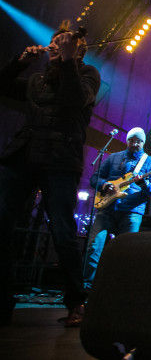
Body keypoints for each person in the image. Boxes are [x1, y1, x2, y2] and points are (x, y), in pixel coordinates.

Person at [0, 21, 100, 326]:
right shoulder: (37, 80)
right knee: (2, 221)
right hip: (24, 154)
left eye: (63, 43)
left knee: (62, 230)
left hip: (60, 160)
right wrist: (19, 63)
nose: (54, 46)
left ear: (77, 51)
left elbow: (75, 99)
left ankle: (76, 302)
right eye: (54, 42)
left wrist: (68, 60)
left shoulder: (88, 74)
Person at [84, 127, 151, 291]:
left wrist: (144, 183)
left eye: (138, 141)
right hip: (107, 209)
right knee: (94, 247)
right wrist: (105, 185)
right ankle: (87, 289)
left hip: (132, 211)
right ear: (127, 141)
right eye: (132, 140)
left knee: (127, 251)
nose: (135, 144)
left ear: (143, 143)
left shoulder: (150, 162)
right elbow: (95, 178)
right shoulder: (113, 157)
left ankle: (119, 289)